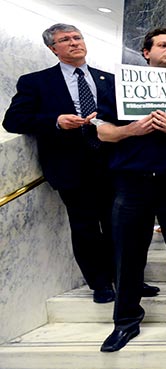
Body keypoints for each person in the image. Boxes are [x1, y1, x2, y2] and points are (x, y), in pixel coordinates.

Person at [97, 28, 166, 352]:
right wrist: (132, 129)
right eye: (163, 45)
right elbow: (103, 134)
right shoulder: (117, 87)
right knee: (127, 256)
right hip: (132, 184)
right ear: (145, 52)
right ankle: (125, 321)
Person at [2, 23, 116, 304]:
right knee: (85, 227)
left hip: (113, 165)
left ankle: (127, 278)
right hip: (70, 167)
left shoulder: (109, 79)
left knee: (119, 226)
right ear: (53, 49)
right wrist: (55, 121)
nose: (74, 42)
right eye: (65, 40)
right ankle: (100, 284)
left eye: (77, 37)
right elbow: (13, 120)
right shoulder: (35, 82)